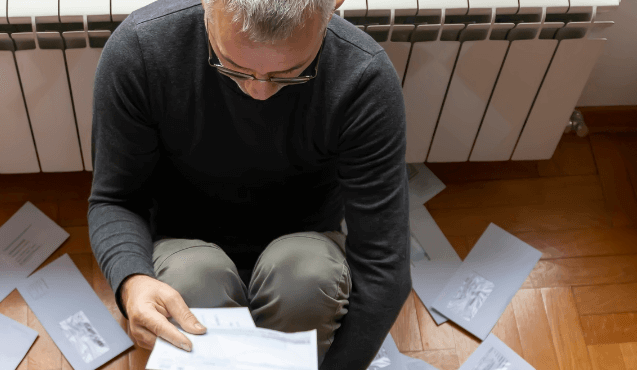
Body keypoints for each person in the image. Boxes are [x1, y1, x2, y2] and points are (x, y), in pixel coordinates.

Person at [87, 0, 410, 368]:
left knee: (305, 278)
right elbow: (116, 198)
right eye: (231, 66)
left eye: (290, 73)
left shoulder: (363, 78)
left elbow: (383, 262)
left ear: (334, 5)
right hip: (185, 248)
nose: (257, 92)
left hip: (303, 256)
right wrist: (132, 279)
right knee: (191, 280)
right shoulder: (141, 50)